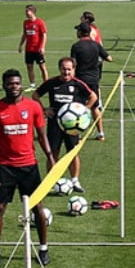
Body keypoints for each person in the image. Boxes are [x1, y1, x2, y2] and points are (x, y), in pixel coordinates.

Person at [0, 69, 56, 268]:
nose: (14, 86)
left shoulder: (33, 107)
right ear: (3, 85)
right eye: (10, 83)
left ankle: (43, 248)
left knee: (38, 208)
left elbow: (42, 135)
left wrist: (50, 158)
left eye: (17, 83)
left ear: (21, 84)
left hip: (29, 167)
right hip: (5, 167)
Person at [33, 57, 100, 193]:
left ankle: (75, 180)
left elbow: (93, 97)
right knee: (53, 153)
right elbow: (35, 95)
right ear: (60, 69)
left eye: (69, 69)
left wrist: (84, 110)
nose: (66, 72)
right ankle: (51, 181)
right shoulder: (52, 83)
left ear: (74, 70)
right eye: (64, 69)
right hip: (55, 124)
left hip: (73, 127)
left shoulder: (78, 84)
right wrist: (44, 109)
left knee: (72, 153)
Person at [71, 22, 113, 140]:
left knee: (78, 107)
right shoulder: (96, 45)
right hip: (94, 80)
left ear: (80, 32)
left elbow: (73, 64)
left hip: (80, 81)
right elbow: (109, 58)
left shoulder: (76, 46)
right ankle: (101, 133)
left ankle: (77, 133)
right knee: (95, 107)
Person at [18, 4, 49, 90]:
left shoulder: (40, 22)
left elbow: (44, 35)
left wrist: (42, 47)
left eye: (27, 11)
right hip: (28, 49)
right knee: (29, 67)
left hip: (37, 49)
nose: (26, 13)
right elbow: (24, 34)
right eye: (25, 11)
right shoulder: (26, 22)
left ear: (32, 12)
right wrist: (20, 45)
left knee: (42, 67)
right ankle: (32, 85)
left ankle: (46, 84)